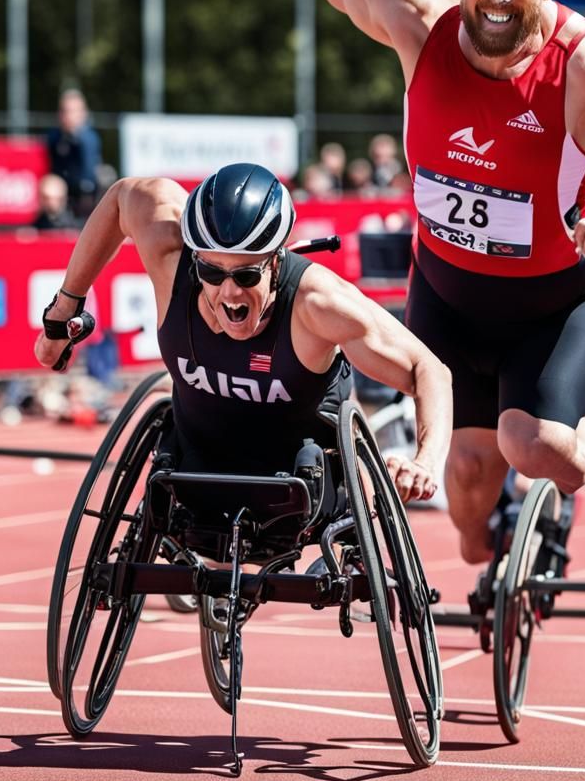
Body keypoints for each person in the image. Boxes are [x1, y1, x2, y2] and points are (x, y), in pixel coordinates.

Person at [221, 0, 585, 566]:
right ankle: (493, 546)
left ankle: (564, 457)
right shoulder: (418, 24)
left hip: (561, 301)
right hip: (452, 297)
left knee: (538, 447)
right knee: (463, 494)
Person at [35, 162, 451, 503]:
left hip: (298, 470)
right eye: (212, 272)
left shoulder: (318, 304)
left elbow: (429, 370)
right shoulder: (170, 259)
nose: (229, 291)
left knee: (357, 475)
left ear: (275, 261)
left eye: (247, 274)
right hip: (198, 456)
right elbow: (125, 196)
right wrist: (65, 307)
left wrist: (425, 463)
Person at [46, 87, 102, 219]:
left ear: (83, 113)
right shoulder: (55, 138)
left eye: (71, 111)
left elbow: (88, 176)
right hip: (61, 195)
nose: (67, 116)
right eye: (64, 111)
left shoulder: (88, 139)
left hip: (85, 198)